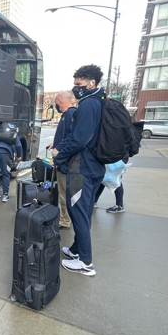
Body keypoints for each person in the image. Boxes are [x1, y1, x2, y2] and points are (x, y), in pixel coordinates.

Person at [51, 65, 106, 277]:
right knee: (84, 211)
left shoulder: (88, 104)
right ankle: (75, 250)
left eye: (79, 84)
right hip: (95, 167)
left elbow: (79, 139)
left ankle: (85, 262)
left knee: (78, 213)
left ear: (91, 83)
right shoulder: (101, 101)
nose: (76, 89)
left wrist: (60, 155)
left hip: (82, 169)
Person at [46, 90, 76, 230]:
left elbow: (72, 137)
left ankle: (65, 220)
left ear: (59, 101)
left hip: (65, 162)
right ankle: (65, 217)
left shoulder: (70, 114)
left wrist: (58, 150)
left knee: (64, 194)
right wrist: (55, 144)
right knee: (64, 193)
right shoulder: (68, 115)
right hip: (65, 161)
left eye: (56, 102)